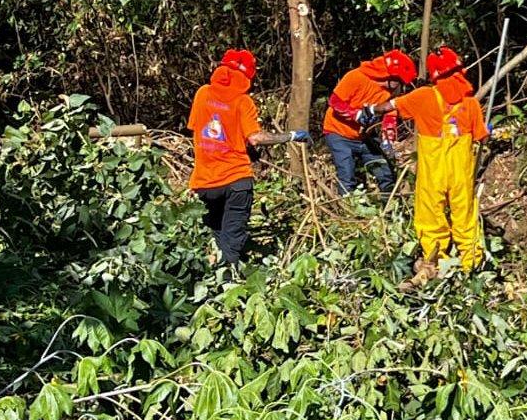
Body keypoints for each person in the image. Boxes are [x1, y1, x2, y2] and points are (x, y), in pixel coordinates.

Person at [366, 46, 489, 287]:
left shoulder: (423, 96)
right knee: (465, 217)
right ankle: (471, 270)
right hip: (461, 172)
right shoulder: (471, 103)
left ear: (434, 74)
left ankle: (436, 265)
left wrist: (370, 109)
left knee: (430, 218)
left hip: (433, 171)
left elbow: (389, 107)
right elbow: (482, 138)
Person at [187, 49, 310, 265]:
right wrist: (289, 136)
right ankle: (230, 281)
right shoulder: (243, 102)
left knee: (216, 231)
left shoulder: (202, 94)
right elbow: (255, 138)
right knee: (233, 235)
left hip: (205, 182)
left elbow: (197, 128)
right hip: (236, 179)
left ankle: (220, 275)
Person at [322, 50, 417, 196]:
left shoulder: (390, 91)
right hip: (338, 133)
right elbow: (335, 101)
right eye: (399, 82)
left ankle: (389, 207)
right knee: (347, 176)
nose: (400, 86)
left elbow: (389, 114)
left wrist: (388, 139)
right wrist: (356, 115)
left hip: (364, 137)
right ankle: (347, 210)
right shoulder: (356, 77)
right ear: (389, 76)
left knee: (385, 173)